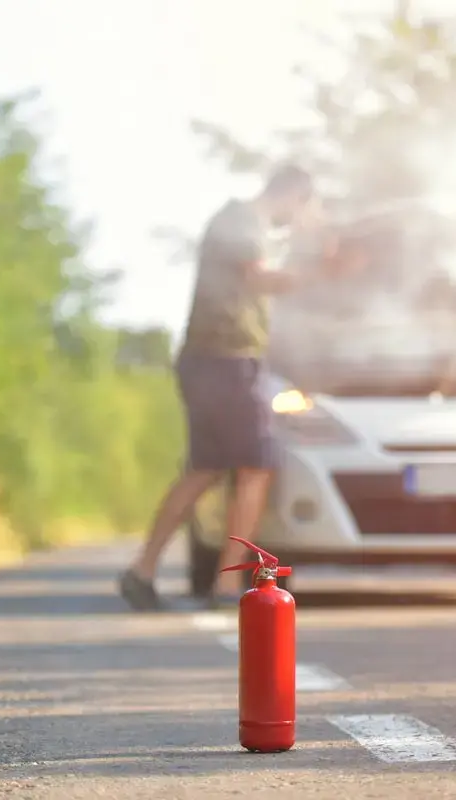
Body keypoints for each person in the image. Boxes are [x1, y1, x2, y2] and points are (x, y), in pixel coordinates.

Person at [117, 163, 332, 612]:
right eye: (303, 207)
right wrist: (320, 269)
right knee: (256, 466)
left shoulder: (240, 222)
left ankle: (142, 571)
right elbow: (259, 277)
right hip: (228, 362)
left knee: (205, 468)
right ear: (294, 195)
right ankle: (224, 586)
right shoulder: (241, 221)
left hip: (210, 362)